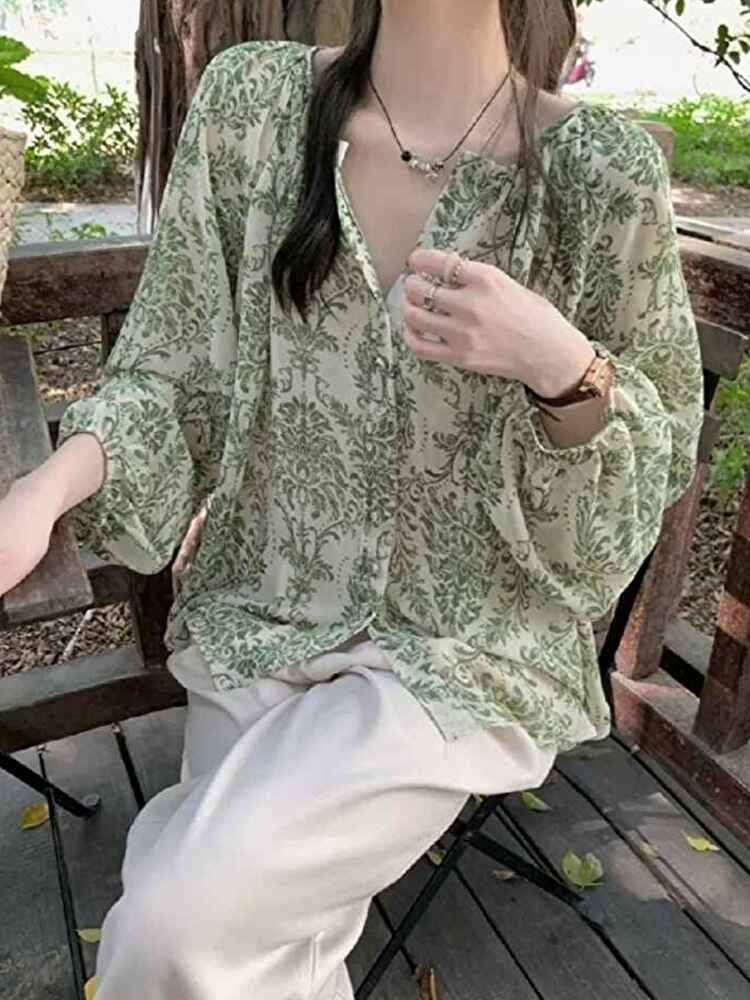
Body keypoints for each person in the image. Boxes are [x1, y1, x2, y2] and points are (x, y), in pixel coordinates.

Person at [0, 1, 704, 998]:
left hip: (464, 653)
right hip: (261, 616)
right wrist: (44, 490)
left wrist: (563, 369)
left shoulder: (599, 175)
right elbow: (170, 371)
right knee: (249, 954)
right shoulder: (253, 109)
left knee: (176, 919)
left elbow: (620, 519)